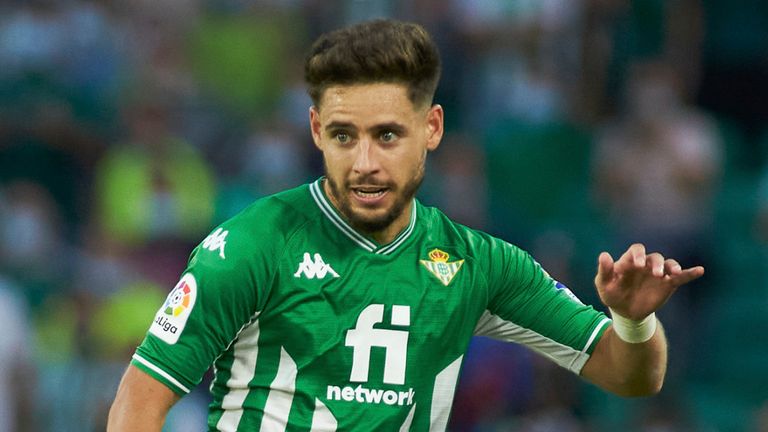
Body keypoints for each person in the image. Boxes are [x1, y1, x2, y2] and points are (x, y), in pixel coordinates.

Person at [107, 19, 704, 431]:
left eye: (387, 135)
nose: (364, 162)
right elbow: (141, 397)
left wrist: (632, 320)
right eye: (344, 136)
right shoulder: (253, 244)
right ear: (316, 130)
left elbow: (632, 377)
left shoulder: (480, 264)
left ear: (433, 128)